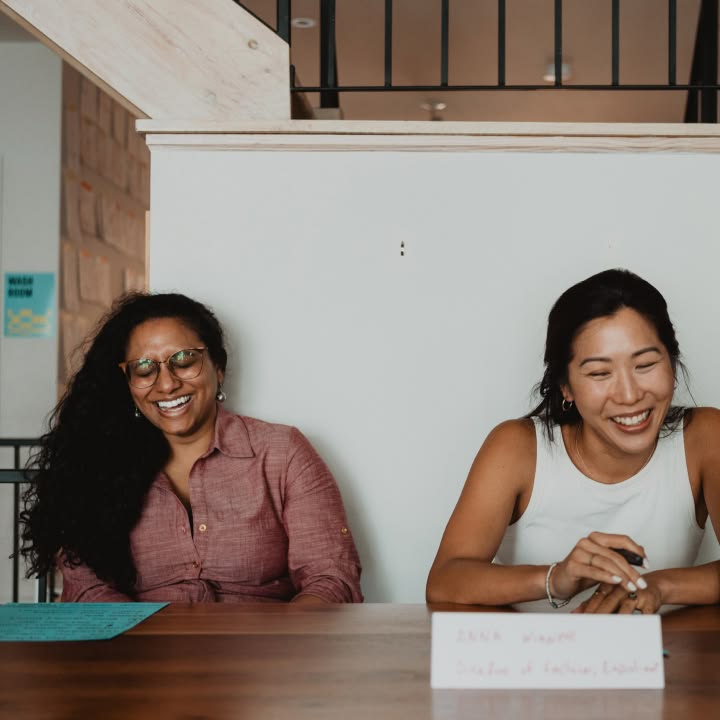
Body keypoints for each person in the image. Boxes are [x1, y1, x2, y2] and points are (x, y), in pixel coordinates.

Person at [21, 292, 362, 603]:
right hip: (139, 659)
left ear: (219, 367)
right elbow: (88, 589)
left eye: (184, 360)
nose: (167, 384)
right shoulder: (96, 465)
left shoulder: (282, 453)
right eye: (144, 369)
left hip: (266, 659)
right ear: (128, 384)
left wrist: (280, 653)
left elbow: (331, 577)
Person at [427, 269, 720, 613]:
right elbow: (444, 581)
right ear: (565, 386)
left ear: (671, 363)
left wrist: (659, 586)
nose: (629, 395)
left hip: (664, 662)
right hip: (534, 662)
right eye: (599, 373)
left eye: (645, 364)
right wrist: (556, 578)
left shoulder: (705, 436)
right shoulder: (516, 447)